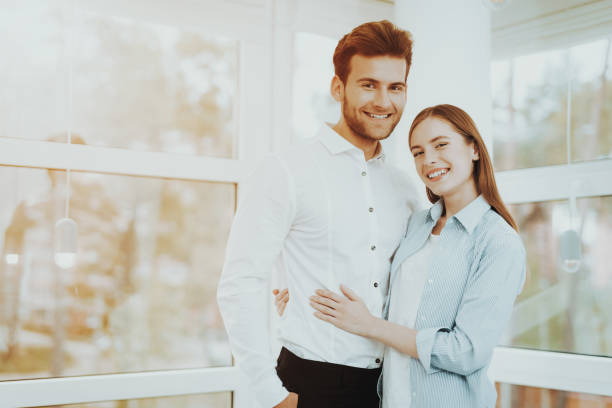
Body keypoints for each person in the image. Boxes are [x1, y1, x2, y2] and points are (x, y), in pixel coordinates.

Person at [216, 20, 418, 408]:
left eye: (396, 87)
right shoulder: (286, 170)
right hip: (310, 386)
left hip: (391, 386)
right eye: (368, 84)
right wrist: (270, 395)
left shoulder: (405, 188)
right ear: (338, 87)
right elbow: (240, 281)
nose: (383, 101)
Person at [302, 104, 526, 407]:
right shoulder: (419, 224)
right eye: (418, 152)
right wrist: (304, 291)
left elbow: (467, 351)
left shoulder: (498, 242)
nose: (428, 159)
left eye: (441, 144)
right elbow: (385, 294)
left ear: (474, 148)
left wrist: (370, 325)